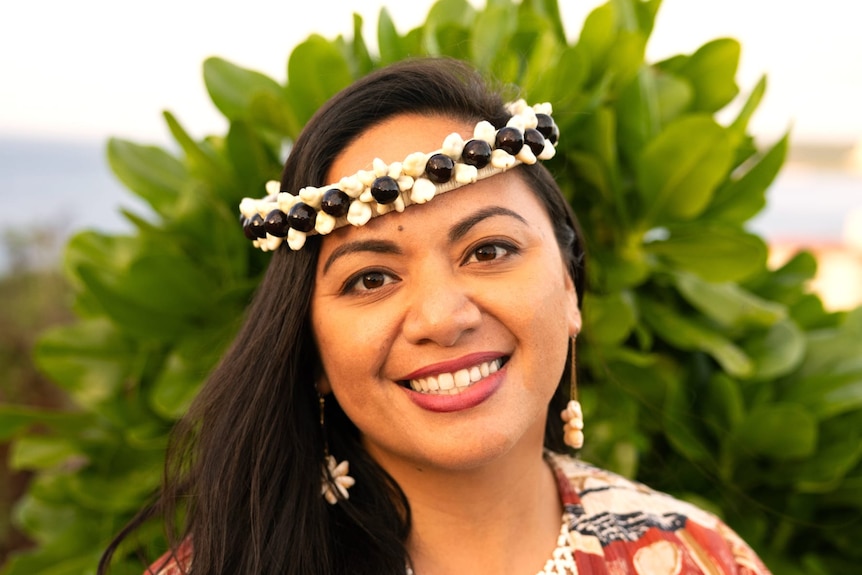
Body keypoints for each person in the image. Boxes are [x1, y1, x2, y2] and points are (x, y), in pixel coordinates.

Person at [99, 57, 771, 575]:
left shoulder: (698, 556)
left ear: (569, 289)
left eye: (489, 250)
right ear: (311, 347)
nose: (442, 316)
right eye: (371, 277)